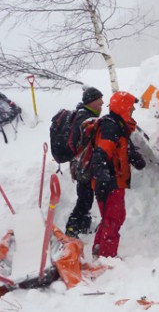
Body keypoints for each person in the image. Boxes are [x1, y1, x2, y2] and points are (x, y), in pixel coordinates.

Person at [90, 91, 146, 258]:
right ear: (123, 108)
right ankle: (107, 258)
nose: (132, 112)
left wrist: (134, 157)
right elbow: (101, 152)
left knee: (111, 218)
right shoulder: (111, 126)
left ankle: (99, 250)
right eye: (131, 109)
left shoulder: (118, 126)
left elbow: (119, 149)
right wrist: (104, 177)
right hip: (109, 181)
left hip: (112, 180)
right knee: (113, 220)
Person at [65, 86, 104, 238]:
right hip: (84, 164)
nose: (102, 105)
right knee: (85, 197)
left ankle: (82, 223)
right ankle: (71, 228)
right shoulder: (86, 119)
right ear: (91, 102)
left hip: (81, 164)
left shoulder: (81, 115)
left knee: (85, 195)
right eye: (99, 103)